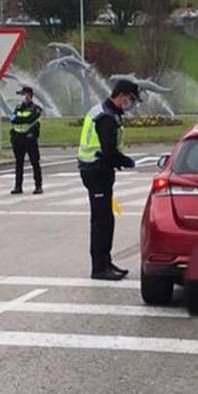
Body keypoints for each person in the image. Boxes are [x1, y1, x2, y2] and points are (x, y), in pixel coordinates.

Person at [76, 78, 140, 281]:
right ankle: (99, 267)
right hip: (96, 171)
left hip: (97, 169)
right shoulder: (106, 117)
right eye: (130, 99)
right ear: (121, 95)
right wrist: (127, 162)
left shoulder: (106, 112)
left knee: (106, 219)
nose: (130, 104)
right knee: (101, 221)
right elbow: (109, 151)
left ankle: (105, 262)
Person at [9, 86, 44, 195]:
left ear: (29, 95)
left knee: (35, 162)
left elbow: (30, 118)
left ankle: (38, 186)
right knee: (19, 163)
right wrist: (20, 119)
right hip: (18, 138)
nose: (22, 97)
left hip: (30, 139)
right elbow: (13, 119)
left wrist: (20, 119)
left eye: (23, 94)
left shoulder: (36, 108)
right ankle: (18, 186)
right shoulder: (18, 107)